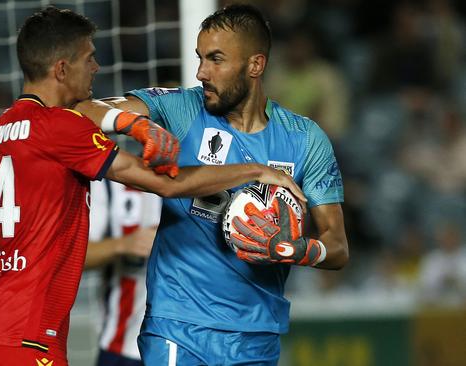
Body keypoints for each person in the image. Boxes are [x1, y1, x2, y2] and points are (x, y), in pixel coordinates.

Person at [0, 7, 305, 366]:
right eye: (88, 58)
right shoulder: (59, 126)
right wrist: (255, 171)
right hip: (27, 335)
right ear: (62, 69)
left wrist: (5, 269)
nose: (96, 66)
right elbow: (169, 185)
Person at [75, 4, 349, 365]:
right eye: (200, 58)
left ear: (255, 65)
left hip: (257, 333)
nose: (202, 72)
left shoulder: (304, 140)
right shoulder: (182, 109)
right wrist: (133, 124)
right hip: (178, 324)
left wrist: (296, 250)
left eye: (216, 59)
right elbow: (81, 112)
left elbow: (338, 247)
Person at [85, 179, 161, 366]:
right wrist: (124, 244)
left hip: (189, 343)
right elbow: (76, 254)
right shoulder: (105, 183)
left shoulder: (200, 176)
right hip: (123, 345)